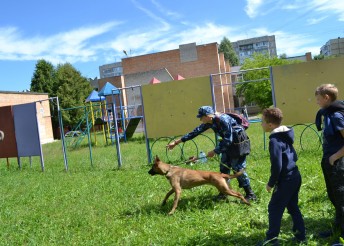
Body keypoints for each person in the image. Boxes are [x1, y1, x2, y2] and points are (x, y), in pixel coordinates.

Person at [166, 106, 256, 201]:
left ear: (208, 116)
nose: (200, 119)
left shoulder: (223, 120)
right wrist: (176, 143)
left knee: (237, 169)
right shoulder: (210, 122)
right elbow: (194, 132)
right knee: (224, 169)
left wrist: (215, 151)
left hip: (238, 144)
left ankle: (250, 194)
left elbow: (228, 139)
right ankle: (224, 192)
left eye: (201, 117)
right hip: (227, 145)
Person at [257, 108, 305, 246]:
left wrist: (271, 183)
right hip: (295, 175)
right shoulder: (285, 134)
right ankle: (301, 235)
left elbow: (277, 166)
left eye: (262, 122)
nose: (261, 125)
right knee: (292, 205)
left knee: (274, 208)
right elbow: (294, 156)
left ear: (270, 125)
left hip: (286, 180)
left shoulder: (274, 140)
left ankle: (272, 239)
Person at [315, 84, 344, 244]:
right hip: (330, 161)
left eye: (318, 99)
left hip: (338, 162)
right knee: (334, 196)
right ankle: (338, 227)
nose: (317, 102)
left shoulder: (336, 116)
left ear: (326, 98)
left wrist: (335, 157)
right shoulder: (328, 113)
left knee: (342, 196)